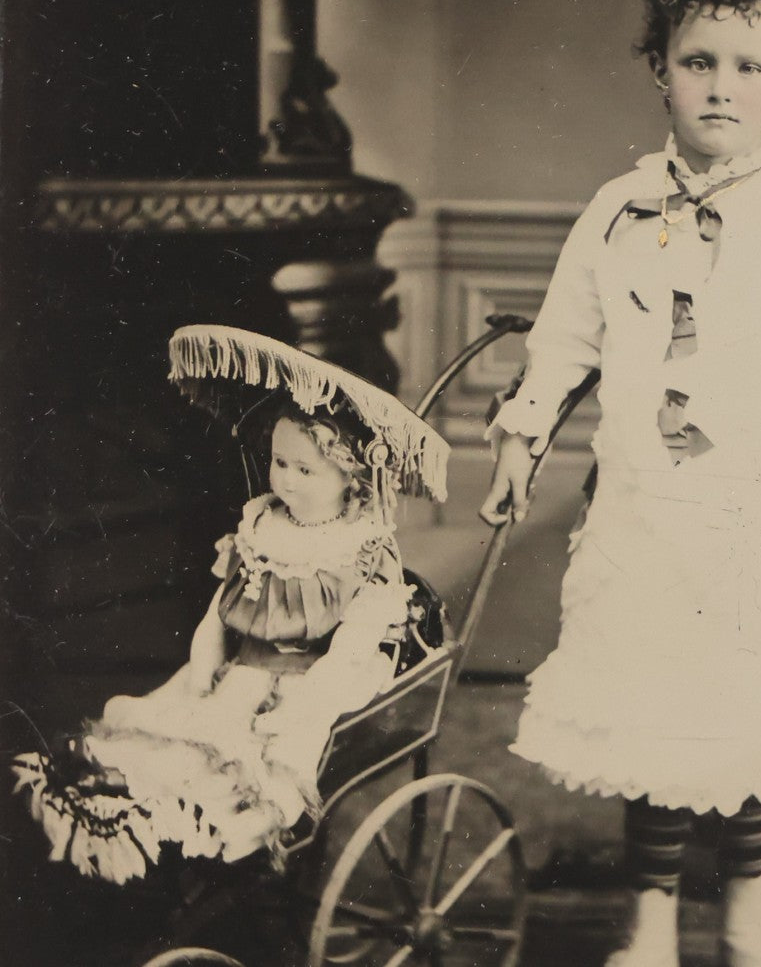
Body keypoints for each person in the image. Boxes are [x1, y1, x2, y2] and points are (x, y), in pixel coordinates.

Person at [479, 0, 761, 967]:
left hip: (757, 533)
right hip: (643, 522)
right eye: (698, 60)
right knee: (652, 738)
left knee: (743, 740)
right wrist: (520, 442)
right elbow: (564, 341)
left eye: (750, 67)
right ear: (659, 67)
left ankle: (748, 921)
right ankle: (647, 930)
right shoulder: (617, 213)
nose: (720, 87)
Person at [12, 354, 447, 886]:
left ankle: (219, 818)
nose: (285, 480)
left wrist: (305, 706)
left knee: (258, 749)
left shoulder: (358, 548)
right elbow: (220, 613)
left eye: (305, 470)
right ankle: (135, 786)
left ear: (351, 475)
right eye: (279, 462)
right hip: (244, 667)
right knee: (186, 716)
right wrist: (201, 675)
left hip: (315, 681)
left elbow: (353, 647)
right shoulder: (261, 524)